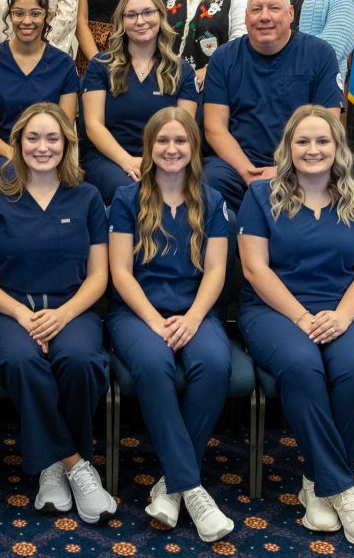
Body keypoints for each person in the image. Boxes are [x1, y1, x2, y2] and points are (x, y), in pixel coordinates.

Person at [237, 105, 354, 546]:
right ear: (288, 148)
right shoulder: (261, 195)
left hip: (345, 308)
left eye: (323, 141)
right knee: (302, 366)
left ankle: (316, 483)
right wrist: (301, 317)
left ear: (338, 147)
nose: (313, 149)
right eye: (302, 141)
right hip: (274, 309)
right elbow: (254, 270)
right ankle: (342, 489)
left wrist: (341, 316)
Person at [0, 103, 114, 524]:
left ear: (68, 144)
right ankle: (73, 464)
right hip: (7, 310)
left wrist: (64, 314)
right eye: (32, 137)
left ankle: (51, 467)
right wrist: (20, 313)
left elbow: (99, 276)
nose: (43, 146)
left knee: (82, 361)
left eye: (53, 138)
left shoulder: (87, 197)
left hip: (71, 309)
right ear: (17, 143)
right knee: (22, 360)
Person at [107, 107, 234, 543]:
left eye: (181, 141)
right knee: (154, 364)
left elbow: (216, 271)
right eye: (162, 141)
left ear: (194, 148)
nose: (172, 149)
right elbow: (120, 272)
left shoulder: (212, 200)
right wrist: (154, 321)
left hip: (195, 310)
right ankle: (194, 490)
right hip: (138, 313)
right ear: (149, 148)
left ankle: (171, 486)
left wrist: (194, 317)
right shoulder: (126, 199)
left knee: (215, 365)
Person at [202, 0, 341, 209]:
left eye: (274, 8)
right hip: (239, 166)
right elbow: (214, 128)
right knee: (210, 182)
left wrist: (284, 171)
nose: (264, 17)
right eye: (256, 9)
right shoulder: (223, 58)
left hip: (301, 162)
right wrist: (250, 175)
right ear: (246, 17)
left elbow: (329, 126)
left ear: (290, 14)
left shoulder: (320, 54)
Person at [82, 0, 197, 203]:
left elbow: (185, 132)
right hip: (110, 159)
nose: (140, 21)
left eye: (147, 12)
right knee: (133, 193)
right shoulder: (100, 66)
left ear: (160, 16)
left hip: (167, 158)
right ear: (121, 22)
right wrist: (126, 161)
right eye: (131, 15)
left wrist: (157, 164)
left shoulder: (182, 71)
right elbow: (93, 125)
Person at [0, 0, 80, 186]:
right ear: (10, 16)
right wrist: (15, 155)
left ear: (47, 15)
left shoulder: (64, 65)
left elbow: (65, 128)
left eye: (35, 13)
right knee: (15, 174)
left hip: (47, 155)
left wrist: (39, 156)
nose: (26, 21)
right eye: (18, 13)